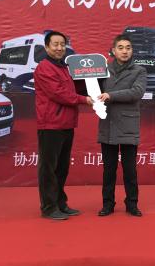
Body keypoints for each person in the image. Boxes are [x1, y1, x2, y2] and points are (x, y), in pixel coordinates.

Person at [34, 31, 93, 220]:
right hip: (51, 124)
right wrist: (85, 99)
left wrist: (96, 84)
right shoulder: (44, 68)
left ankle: (60, 203)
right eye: (55, 44)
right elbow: (58, 93)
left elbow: (74, 88)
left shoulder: (64, 67)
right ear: (47, 47)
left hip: (66, 123)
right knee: (49, 168)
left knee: (62, 168)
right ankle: (49, 207)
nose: (59, 48)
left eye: (62, 44)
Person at [97, 34, 147, 217]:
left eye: (128, 48)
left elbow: (137, 92)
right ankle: (107, 204)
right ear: (113, 50)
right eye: (120, 47)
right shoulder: (103, 69)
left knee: (130, 169)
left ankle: (132, 203)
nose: (125, 51)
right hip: (108, 123)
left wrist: (111, 95)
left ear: (132, 51)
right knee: (108, 169)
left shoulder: (139, 70)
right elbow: (94, 90)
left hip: (128, 124)